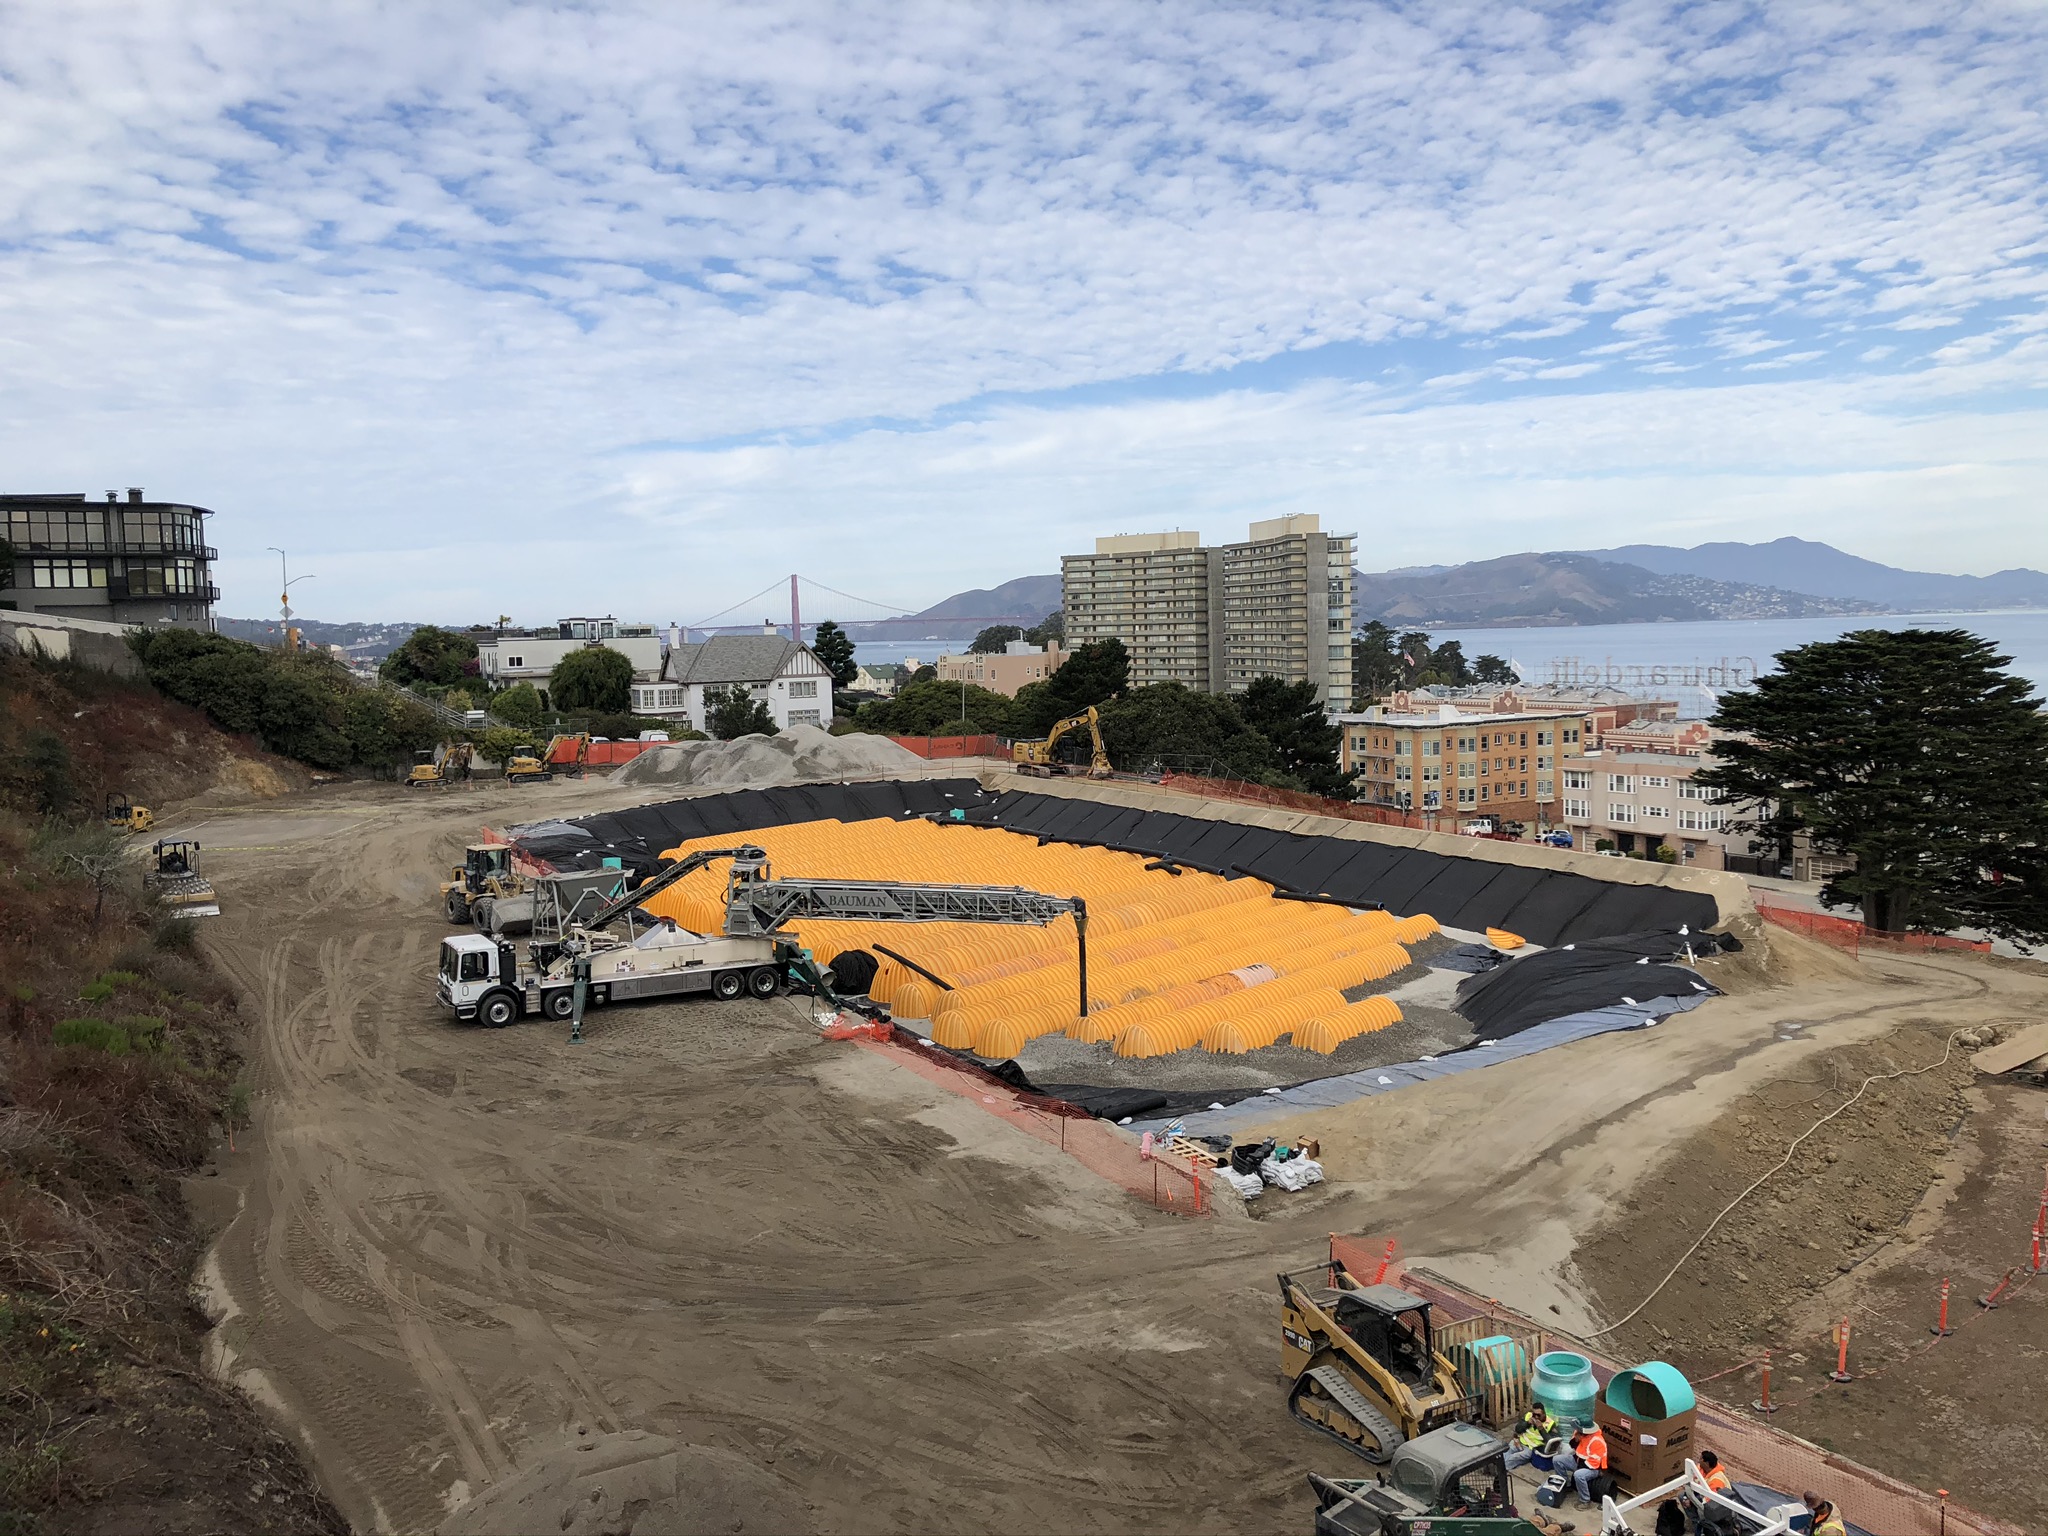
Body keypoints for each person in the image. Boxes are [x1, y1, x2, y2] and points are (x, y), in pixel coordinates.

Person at [1505, 1401, 1556, 1470]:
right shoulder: (1528, 1416)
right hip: (1520, 1441)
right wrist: (1527, 1423)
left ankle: (1499, 1470)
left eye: (1538, 1415)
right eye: (1534, 1414)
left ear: (1544, 1414)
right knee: (1507, 1451)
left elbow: (1551, 1442)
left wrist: (1541, 1429)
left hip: (1531, 1448)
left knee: (1514, 1457)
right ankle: (1494, 1464)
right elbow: (1517, 1429)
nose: (1536, 1417)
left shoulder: (1550, 1423)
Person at [1572, 1421, 1610, 1504]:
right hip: (1580, 1461)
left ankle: (1585, 1500)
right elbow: (1574, 1447)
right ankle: (1567, 1485)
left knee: (1579, 1475)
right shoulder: (1578, 1432)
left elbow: (1594, 1464)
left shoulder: (1597, 1441)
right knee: (1558, 1460)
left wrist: (1578, 1468)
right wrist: (1576, 1440)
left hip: (1595, 1468)